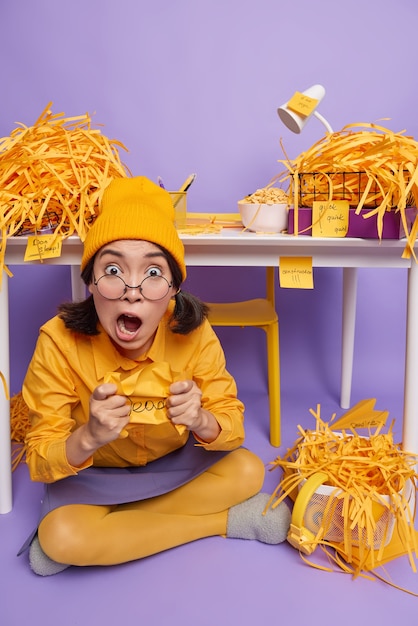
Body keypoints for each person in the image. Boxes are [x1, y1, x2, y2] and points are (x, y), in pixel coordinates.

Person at [21, 176, 290, 576]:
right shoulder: (58, 341)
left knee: (248, 469)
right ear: (91, 282)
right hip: (95, 474)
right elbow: (40, 460)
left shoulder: (193, 333)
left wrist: (201, 420)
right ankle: (224, 521)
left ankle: (109, 531)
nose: (133, 290)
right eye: (113, 269)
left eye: (152, 273)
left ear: (174, 288)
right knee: (62, 536)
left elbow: (231, 424)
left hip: (174, 463)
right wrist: (88, 437)